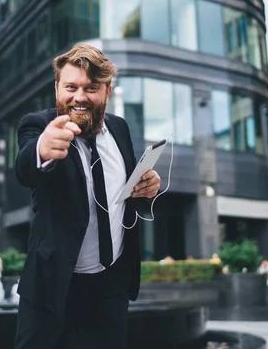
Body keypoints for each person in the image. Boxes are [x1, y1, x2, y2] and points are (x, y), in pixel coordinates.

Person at [13, 43, 161, 349]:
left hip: (110, 291)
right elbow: (26, 168)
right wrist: (42, 151)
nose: (79, 96)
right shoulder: (39, 126)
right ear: (57, 89)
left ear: (107, 92)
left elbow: (124, 193)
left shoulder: (120, 129)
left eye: (91, 87)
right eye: (71, 87)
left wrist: (146, 188)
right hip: (52, 291)